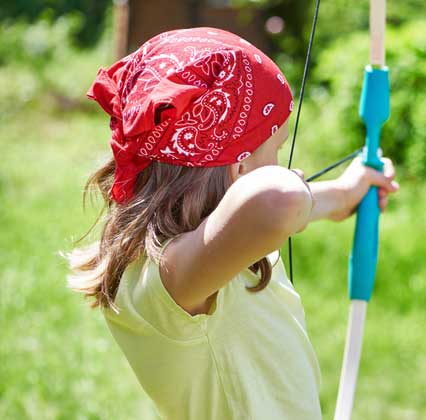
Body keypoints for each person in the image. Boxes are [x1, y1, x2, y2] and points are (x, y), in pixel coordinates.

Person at [66, 27, 398, 419]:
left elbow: (271, 204)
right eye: (275, 149)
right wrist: (303, 192)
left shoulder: (206, 255)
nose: (284, 164)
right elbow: (277, 200)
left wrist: (343, 196)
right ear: (241, 167)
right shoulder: (172, 277)